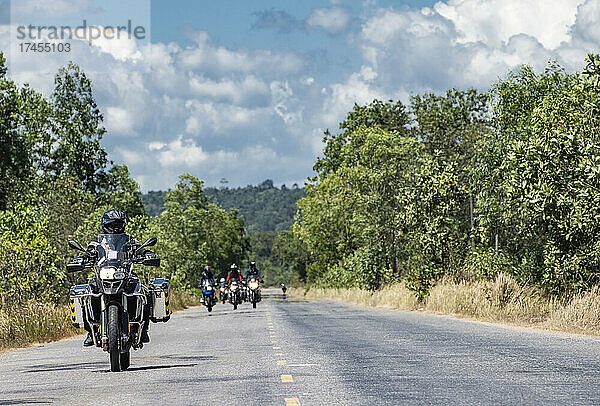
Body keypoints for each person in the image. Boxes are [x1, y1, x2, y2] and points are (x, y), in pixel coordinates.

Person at [82, 209, 152, 347]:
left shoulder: (130, 241)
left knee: (144, 292)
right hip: (103, 274)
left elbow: (140, 249)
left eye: (119, 225)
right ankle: (90, 331)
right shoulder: (97, 243)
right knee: (87, 293)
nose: (115, 229)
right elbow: (89, 252)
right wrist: (83, 258)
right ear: (105, 225)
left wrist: (147, 253)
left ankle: (144, 330)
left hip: (124, 274)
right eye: (112, 225)